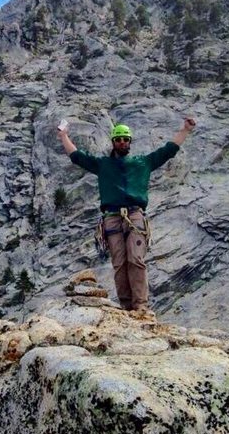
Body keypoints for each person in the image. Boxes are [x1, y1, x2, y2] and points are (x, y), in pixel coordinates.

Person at [57, 118, 196, 316]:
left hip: (134, 214)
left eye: (125, 139)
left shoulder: (143, 162)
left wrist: (185, 130)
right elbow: (77, 156)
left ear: (130, 142)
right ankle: (126, 307)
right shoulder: (103, 164)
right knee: (120, 262)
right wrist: (63, 136)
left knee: (136, 258)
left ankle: (140, 305)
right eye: (119, 139)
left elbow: (168, 150)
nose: (122, 142)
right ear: (113, 142)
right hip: (112, 217)